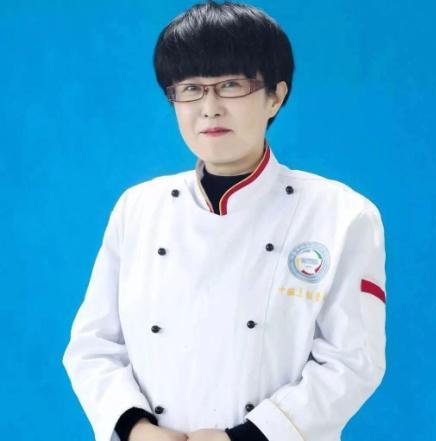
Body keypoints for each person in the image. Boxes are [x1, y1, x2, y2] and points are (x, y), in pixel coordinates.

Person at [62, 1, 387, 441]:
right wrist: (133, 427)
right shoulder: (138, 208)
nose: (209, 107)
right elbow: (92, 345)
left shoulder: (342, 214)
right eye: (190, 88)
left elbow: (353, 362)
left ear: (276, 95)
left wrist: (248, 437)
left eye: (231, 85)